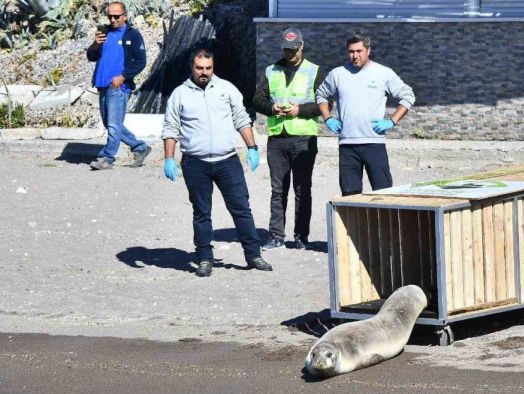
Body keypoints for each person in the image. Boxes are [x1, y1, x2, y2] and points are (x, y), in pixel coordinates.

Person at [161, 48, 272, 277]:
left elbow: (241, 118)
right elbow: (171, 128)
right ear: (192, 67)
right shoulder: (179, 94)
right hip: (195, 162)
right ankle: (204, 258)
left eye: (208, 68)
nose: (204, 73)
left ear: (213, 67)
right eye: (200, 68)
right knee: (201, 212)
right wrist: (169, 158)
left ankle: (253, 255)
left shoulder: (226, 89)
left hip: (227, 161)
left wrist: (252, 147)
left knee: (241, 209)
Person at [316, 31, 415, 196]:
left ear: (368, 51)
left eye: (359, 51)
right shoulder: (338, 74)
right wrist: (328, 118)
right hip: (347, 145)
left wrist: (392, 121)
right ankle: (356, 223)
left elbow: (408, 95)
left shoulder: (383, 73)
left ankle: (383, 223)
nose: (355, 56)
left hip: (374, 143)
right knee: (350, 196)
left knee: (384, 193)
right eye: (351, 51)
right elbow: (321, 94)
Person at [252, 28, 324, 251]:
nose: (290, 53)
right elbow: (257, 99)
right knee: (277, 190)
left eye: (293, 50)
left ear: (301, 46)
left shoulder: (315, 71)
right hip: (277, 138)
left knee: (303, 190)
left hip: (304, 138)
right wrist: (271, 108)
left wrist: (299, 110)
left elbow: (324, 105)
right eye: (286, 50)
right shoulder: (271, 71)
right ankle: (276, 236)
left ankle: (301, 236)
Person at [86, 1, 151, 170]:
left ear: (125, 16)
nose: (113, 19)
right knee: (111, 124)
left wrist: (122, 77)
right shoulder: (105, 32)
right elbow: (91, 56)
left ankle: (106, 158)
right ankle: (140, 147)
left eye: (116, 16)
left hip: (118, 87)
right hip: (102, 85)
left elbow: (141, 61)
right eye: (110, 16)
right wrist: (96, 44)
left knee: (114, 126)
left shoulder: (133, 35)